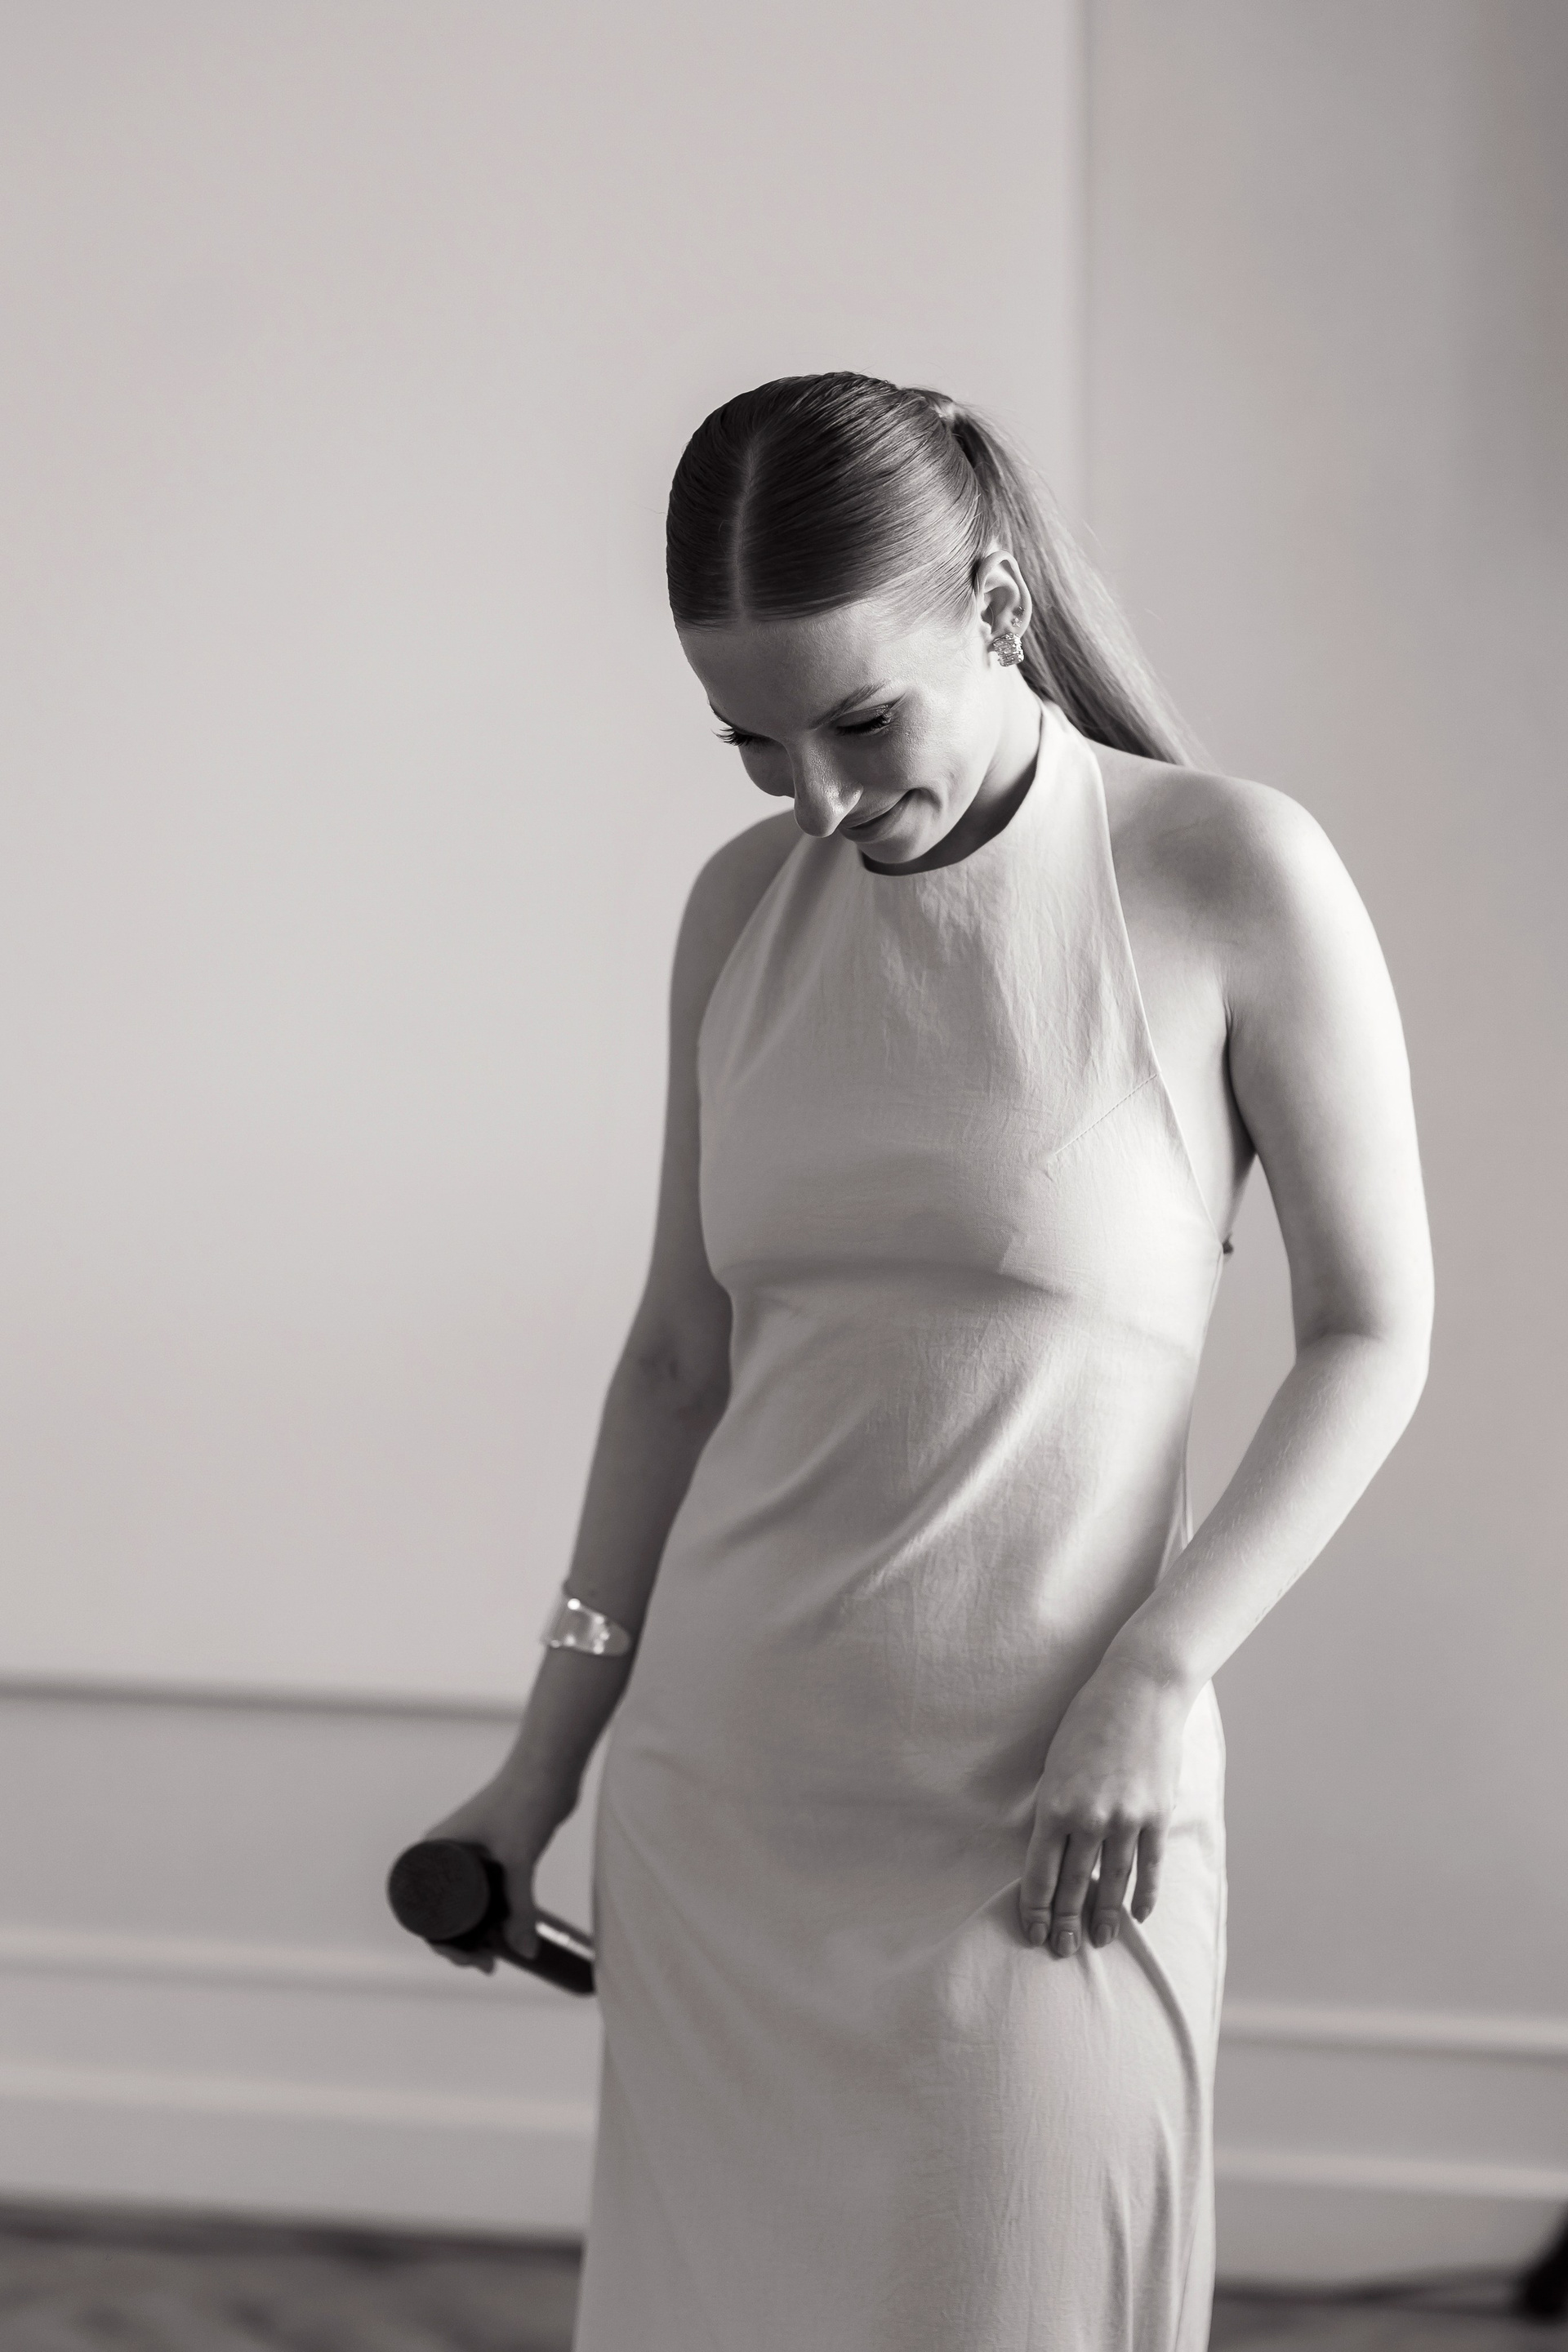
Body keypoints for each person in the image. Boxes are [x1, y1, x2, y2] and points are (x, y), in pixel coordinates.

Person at [425, 372, 1432, 2350]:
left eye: (860, 722)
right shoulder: (741, 915)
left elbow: (1374, 1334)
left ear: (993, 606)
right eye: (751, 743)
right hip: (724, 1818)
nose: (811, 799)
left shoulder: (1228, 873)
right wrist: (541, 1766)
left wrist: (1162, 1668)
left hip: (1053, 1829)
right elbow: (675, 1367)